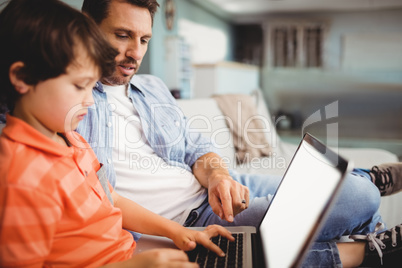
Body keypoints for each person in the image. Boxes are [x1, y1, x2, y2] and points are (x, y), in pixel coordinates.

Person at [75, 0, 402, 266]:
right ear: (87, 29)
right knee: (362, 198)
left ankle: (369, 212)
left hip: (221, 191)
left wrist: (218, 175)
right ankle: (371, 223)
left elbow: (195, 148)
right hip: (195, 221)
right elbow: (100, 196)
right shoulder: (73, 102)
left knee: (345, 188)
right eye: (122, 35)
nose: (136, 52)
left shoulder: (152, 88)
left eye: (144, 39)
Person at [0, 0, 235, 267]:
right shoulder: (19, 176)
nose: (90, 101)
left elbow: (112, 199)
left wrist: (177, 232)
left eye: (92, 86)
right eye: (79, 86)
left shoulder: (72, 140)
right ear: (21, 77)